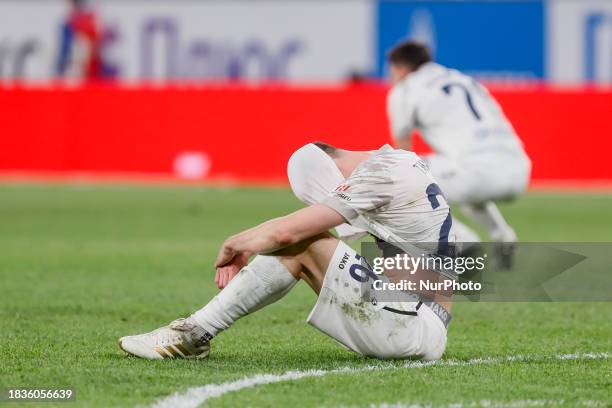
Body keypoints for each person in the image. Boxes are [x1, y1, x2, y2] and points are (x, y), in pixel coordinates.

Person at [119, 142, 455, 361]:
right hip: (422, 320)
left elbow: (287, 231)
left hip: (412, 327)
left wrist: (236, 243)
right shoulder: (398, 160)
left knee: (301, 242)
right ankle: (194, 333)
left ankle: (193, 334)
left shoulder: (375, 176)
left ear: (326, 174)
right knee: (309, 240)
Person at [386, 41, 531, 259]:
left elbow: (404, 152)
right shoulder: (463, 79)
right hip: (519, 167)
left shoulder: (405, 89)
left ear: (401, 68)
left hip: (477, 172)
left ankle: (464, 243)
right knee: (455, 176)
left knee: (404, 180)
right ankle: (503, 235)